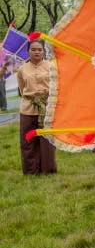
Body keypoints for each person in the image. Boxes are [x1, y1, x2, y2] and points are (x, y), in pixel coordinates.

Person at [17, 39, 57, 175]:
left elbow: (56, 85)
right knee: (28, 140)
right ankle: (30, 170)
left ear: (43, 51)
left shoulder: (51, 67)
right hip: (28, 107)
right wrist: (34, 98)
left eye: (39, 49)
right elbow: (22, 89)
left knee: (47, 140)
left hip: (47, 108)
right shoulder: (22, 69)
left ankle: (48, 169)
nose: (36, 52)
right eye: (33, 49)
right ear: (28, 51)